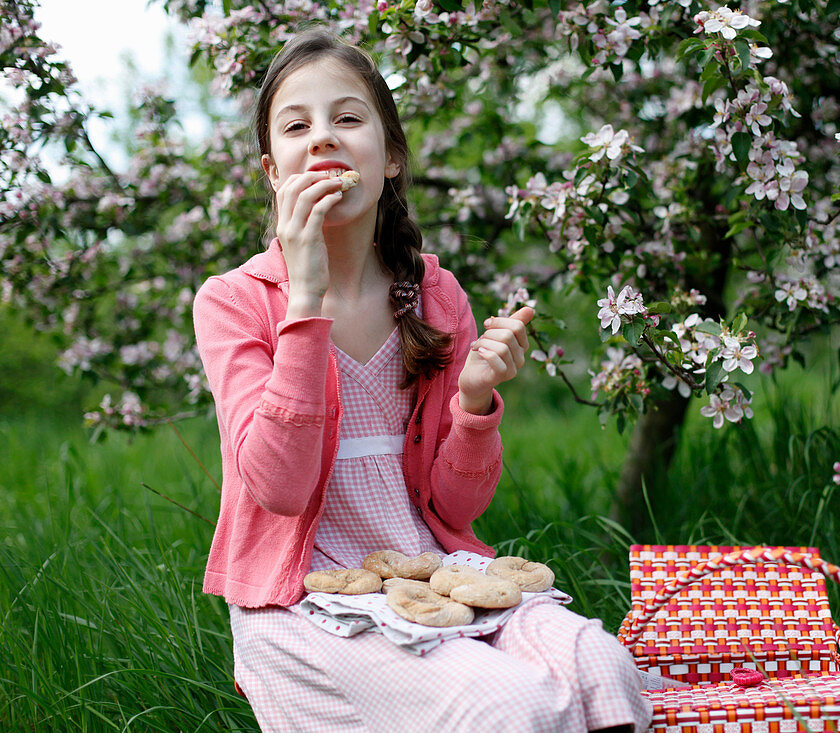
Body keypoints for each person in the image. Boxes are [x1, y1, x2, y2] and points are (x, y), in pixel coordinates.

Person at [192, 28, 651, 732]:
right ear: (271, 172)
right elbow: (280, 488)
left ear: (392, 156)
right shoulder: (234, 302)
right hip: (303, 603)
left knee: (602, 663)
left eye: (347, 118)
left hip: (431, 569)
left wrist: (473, 404)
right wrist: (306, 301)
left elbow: (455, 508)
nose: (322, 138)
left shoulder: (434, 296)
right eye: (296, 126)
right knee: (509, 704)